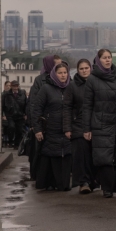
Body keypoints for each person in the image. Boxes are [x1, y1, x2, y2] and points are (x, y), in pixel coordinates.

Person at [82, 49, 116, 198]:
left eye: (109, 57)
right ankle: (107, 187)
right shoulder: (92, 79)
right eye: (104, 58)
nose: (108, 60)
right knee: (103, 156)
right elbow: (87, 106)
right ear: (98, 60)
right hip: (100, 123)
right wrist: (86, 128)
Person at [31, 62, 73, 191]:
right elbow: (36, 109)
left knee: (66, 156)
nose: (63, 75)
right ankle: (48, 182)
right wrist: (37, 129)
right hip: (50, 129)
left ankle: (63, 184)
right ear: (54, 74)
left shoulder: (71, 87)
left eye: (65, 73)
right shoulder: (46, 89)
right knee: (50, 156)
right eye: (60, 73)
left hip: (67, 129)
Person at [65, 59, 97, 194]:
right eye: (81, 69)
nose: (84, 71)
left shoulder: (96, 83)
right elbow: (66, 108)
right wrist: (67, 127)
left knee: (93, 155)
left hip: (95, 123)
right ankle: (83, 182)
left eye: (86, 68)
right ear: (77, 71)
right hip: (78, 124)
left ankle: (93, 181)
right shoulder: (72, 86)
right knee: (81, 155)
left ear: (90, 68)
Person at [28, 55, 62, 180]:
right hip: (42, 121)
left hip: (56, 121)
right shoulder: (39, 80)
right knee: (39, 150)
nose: (59, 66)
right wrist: (34, 124)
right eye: (56, 64)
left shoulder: (63, 79)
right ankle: (38, 176)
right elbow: (33, 103)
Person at [4, 80, 28, 152]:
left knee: (19, 130)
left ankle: (16, 144)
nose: (15, 88)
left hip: (20, 115)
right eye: (14, 86)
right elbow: (3, 105)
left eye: (16, 86)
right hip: (10, 115)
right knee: (11, 127)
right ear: (11, 86)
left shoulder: (22, 93)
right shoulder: (6, 94)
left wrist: (26, 114)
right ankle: (10, 140)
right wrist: (4, 115)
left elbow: (26, 104)